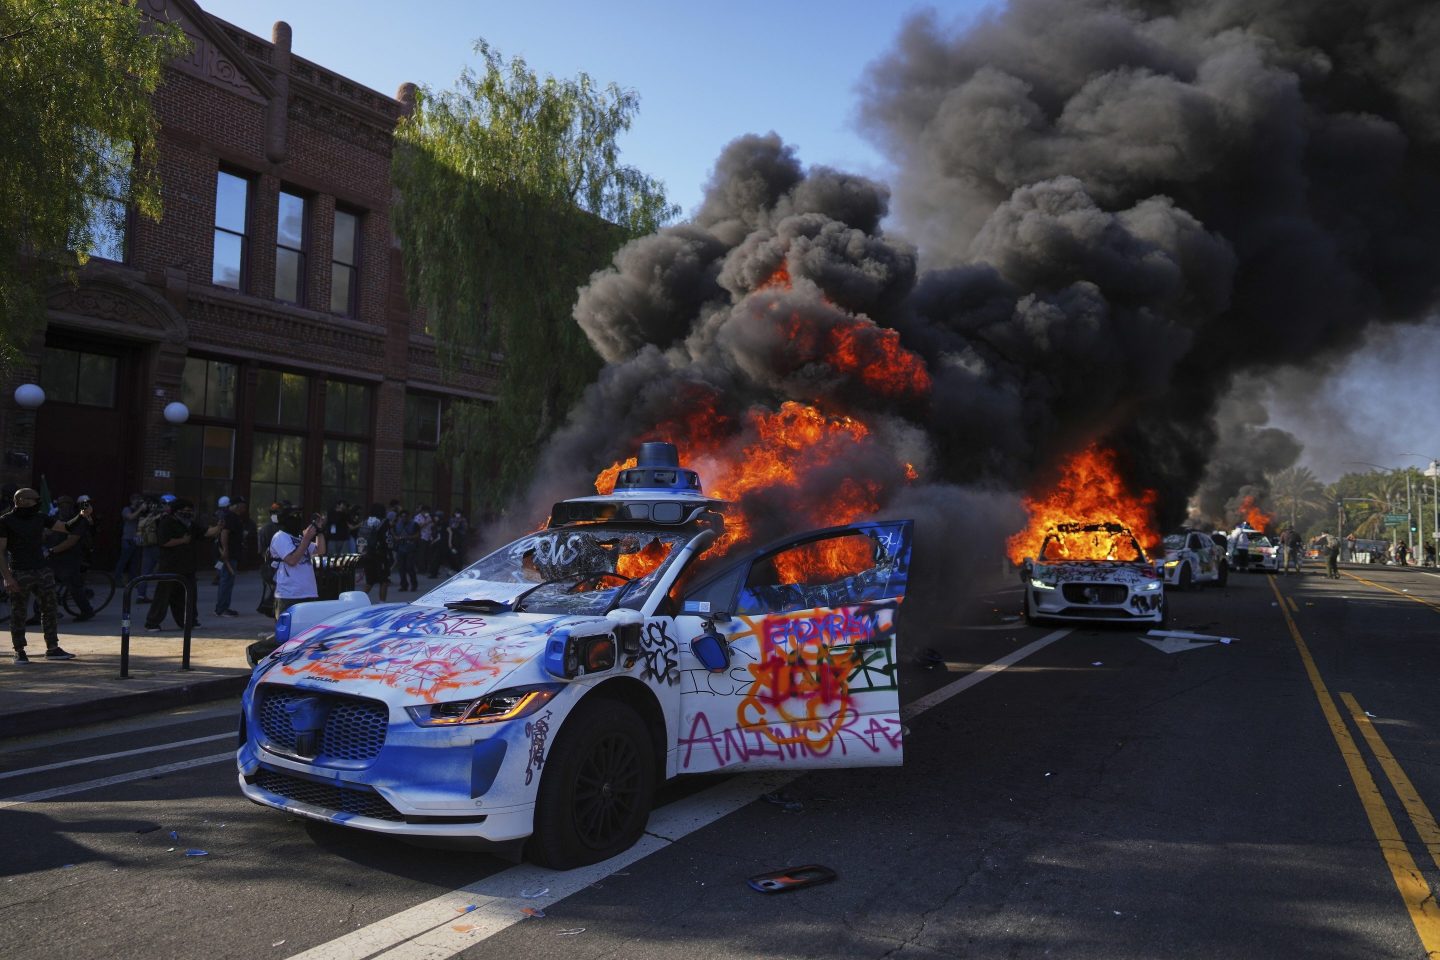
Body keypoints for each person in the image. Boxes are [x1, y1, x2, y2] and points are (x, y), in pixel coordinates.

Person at [0, 488, 79, 662]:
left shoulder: (40, 517)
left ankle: (52, 648)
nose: (37, 503)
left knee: (50, 609)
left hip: (42, 570)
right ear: (21, 501)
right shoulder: (6, 521)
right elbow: (0, 551)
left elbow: (65, 527)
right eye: (34, 500)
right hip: (19, 572)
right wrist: (7, 577)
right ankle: (19, 651)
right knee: (18, 612)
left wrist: (81, 516)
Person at [144, 498, 217, 631]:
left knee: (188, 597)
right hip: (170, 567)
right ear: (176, 511)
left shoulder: (190, 524)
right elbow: (164, 542)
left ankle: (188, 621)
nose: (189, 513)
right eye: (186, 511)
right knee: (163, 597)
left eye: (190, 511)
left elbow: (206, 532)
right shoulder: (167, 523)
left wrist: (220, 526)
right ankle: (152, 623)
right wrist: (183, 540)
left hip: (187, 567)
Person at [46, 495, 96, 622]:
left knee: (74, 587)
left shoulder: (79, 520)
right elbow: (48, 533)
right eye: (61, 505)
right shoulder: (56, 518)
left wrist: (52, 550)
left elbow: (71, 541)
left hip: (70, 558)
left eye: (66, 504)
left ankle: (86, 611)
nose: (64, 507)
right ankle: (44, 612)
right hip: (54, 557)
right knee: (44, 583)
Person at [213, 496, 248, 617]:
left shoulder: (232, 517)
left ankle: (222, 607)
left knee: (226, 580)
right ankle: (222, 608)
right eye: (242, 506)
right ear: (236, 506)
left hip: (231, 554)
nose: (244, 509)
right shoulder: (230, 516)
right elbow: (224, 533)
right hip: (228, 555)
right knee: (226, 581)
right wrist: (225, 551)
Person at [356, 504, 394, 601]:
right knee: (384, 581)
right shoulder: (384, 522)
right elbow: (388, 539)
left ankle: (358, 601)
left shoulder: (366, 521)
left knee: (370, 582)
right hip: (380, 555)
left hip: (367, 555)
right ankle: (382, 603)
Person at [255, 500, 285, 617]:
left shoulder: (265, 529)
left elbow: (260, 551)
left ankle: (273, 608)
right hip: (280, 565)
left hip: (271, 565)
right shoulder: (284, 529)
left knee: (274, 589)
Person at [113, 492, 144, 591]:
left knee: (135, 562)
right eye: (137, 500)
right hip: (128, 538)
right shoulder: (127, 509)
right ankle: (117, 580)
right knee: (123, 560)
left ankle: (133, 581)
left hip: (138, 539)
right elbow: (131, 517)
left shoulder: (141, 511)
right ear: (132, 501)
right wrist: (140, 509)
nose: (138, 502)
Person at [392, 508, 418, 592]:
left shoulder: (414, 524)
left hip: (411, 548)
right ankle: (404, 585)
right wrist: (397, 538)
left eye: (405, 516)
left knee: (410, 567)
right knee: (401, 568)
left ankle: (414, 585)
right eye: (402, 516)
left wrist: (408, 537)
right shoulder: (397, 525)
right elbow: (394, 534)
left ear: (409, 517)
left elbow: (418, 535)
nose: (404, 518)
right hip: (401, 548)